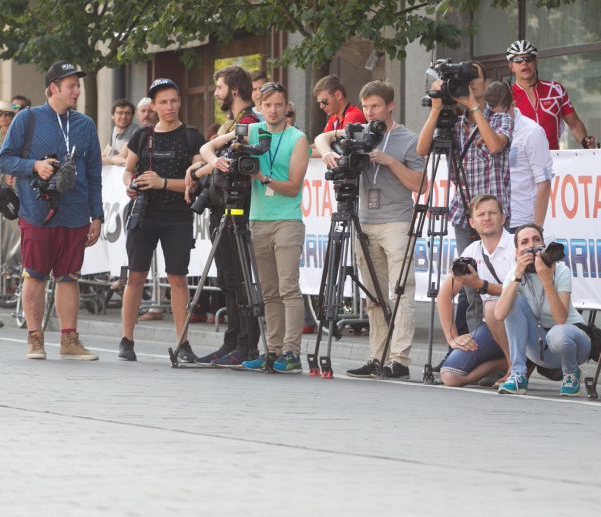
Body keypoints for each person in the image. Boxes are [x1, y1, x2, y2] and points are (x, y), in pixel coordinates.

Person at [314, 81, 427, 379]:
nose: (369, 112)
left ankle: (399, 359)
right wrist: (327, 152)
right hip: (364, 220)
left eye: (375, 106)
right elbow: (321, 137)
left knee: (401, 290)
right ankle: (377, 356)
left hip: (397, 221)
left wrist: (390, 162)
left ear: (390, 105)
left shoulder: (408, 139)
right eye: (365, 107)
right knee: (374, 296)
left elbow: (421, 184)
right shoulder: (360, 132)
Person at [202, 82, 309, 373]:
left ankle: (291, 352)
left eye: (278, 105)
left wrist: (262, 177)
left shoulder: (297, 138)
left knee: (288, 289)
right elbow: (207, 147)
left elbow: (292, 186)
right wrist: (218, 162)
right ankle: (272, 351)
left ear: (286, 107)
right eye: (268, 105)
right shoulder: (250, 131)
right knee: (268, 292)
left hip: (286, 220)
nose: (273, 110)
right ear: (259, 108)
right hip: (258, 221)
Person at [0, 60, 103, 360]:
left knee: (69, 275)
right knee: (34, 274)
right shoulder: (27, 119)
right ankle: (35, 340)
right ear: (53, 88)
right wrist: (35, 165)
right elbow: (4, 159)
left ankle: (69, 342)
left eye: (78, 85)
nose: (77, 91)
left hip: (74, 213)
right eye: (72, 85)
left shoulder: (85, 124)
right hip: (36, 211)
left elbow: (95, 173)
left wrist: (96, 214)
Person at [119, 78, 205, 363]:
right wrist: (131, 184)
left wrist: (163, 182)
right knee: (135, 276)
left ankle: (183, 343)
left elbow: (196, 182)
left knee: (178, 279)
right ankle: (127, 339)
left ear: (180, 102)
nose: (169, 106)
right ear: (153, 106)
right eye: (163, 102)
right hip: (143, 213)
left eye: (173, 100)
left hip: (177, 216)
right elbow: (128, 170)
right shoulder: (142, 136)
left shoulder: (192, 136)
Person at [187, 64, 262, 366]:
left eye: (219, 87)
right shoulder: (233, 122)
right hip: (222, 205)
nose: (215, 92)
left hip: (239, 207)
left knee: (239, 278)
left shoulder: (249, 122)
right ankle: (232, 339)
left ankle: (246, 344)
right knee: (228, 279)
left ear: (233, 89)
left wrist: (197, 169)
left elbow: (228, 159)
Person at [417, 61, 513, 252]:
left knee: (498, 274)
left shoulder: (501, 119)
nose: (469, 82)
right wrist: (436, 109)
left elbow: (494, 146)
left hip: (492, 213)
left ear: (486, 83)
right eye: (464, 79)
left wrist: (472, 105)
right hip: (463, 211)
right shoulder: (454, 124)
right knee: (468, 274)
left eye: (474, 77)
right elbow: (422, 149)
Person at [493, 223, 591, 395]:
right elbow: (499, 314)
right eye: (524, 242)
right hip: (540, 348)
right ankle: (517, 375)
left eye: (536, 240)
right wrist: (517, 276)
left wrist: (546, 279)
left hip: (573, 344)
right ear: (517, 252)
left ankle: (571, 374)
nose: (531, 245)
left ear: (544, 245)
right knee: (512, 301)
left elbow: (561, 320)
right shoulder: (515, 273)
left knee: (558, 333)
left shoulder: (560, 270)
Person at [438, 195, 515, 386]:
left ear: (503, 218)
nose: (486, 218)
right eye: (481, 214)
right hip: (495, 327)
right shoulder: (472, 250)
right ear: (472, 222)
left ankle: (516, 367)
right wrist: (453, 338)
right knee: (450, 375)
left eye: (492, 213)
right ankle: (506, 363)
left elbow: (518, 292)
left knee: (491, 306)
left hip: (525, 321)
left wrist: (481, 285)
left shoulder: (516, 244)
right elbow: (444, 295)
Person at [486, 82, 552, 231]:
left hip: (519, 222)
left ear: (513, 105)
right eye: (492, 116)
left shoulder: (532, 132)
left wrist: (536, 228)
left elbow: (544, 181)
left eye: (501, 115)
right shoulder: (485, 129)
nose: (497, 121)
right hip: (490, 221)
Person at [507, 39, 595, 150]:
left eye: (529, 59)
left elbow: (574, 124)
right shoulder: (506, 97)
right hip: (522, 163)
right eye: (518, 60)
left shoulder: (556, 90)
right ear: (511, 66)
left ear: (536, 62)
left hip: (553, 160)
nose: (524, 63)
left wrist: (585, 141)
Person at [101, 99, 138, 166]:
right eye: (120, 113)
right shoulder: (115, 129)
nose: (124, 116)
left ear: (132, 116)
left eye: (127, 113)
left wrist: (97, 161)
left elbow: (121, 156)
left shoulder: (135, 130)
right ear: (112, 116)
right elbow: (105, 154)